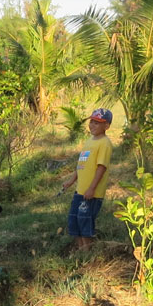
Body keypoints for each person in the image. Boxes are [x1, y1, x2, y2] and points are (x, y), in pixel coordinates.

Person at [61, 108, 114, 251]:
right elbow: (81, 165)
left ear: (106, 126)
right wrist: (71, 181)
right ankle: (81, 249)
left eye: (97, 123)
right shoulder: (89, 141)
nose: (92, 125)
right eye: (92, 122)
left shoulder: (104, 143)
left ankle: (87, 251)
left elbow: (101, 167)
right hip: (80, 191)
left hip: (92, 194)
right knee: (74, 220)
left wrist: (92, 188)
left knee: (85, 221)